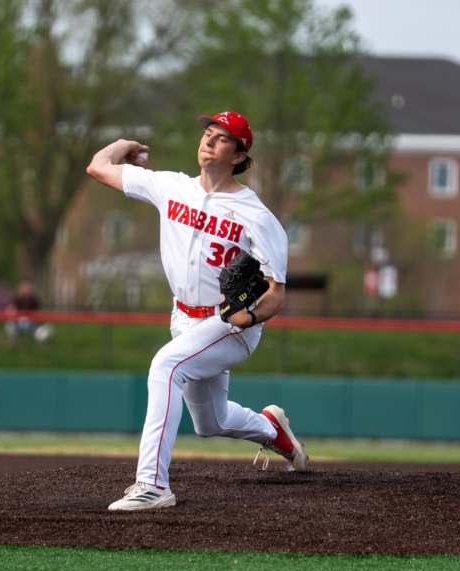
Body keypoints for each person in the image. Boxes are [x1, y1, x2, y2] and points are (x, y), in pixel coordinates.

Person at [86, 110, 307, 512]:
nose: (210, 140)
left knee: (166, 366)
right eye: (208, 133)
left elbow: (276, 293)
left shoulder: (256, 216)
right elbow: (98, 167)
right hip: (184, 318)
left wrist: (251, 317)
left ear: (239, 156)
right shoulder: (171, 187)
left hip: (230, 322)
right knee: (212, 422)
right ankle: (272, 429)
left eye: (222, 138)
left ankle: (152, 484)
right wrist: (125, 145)